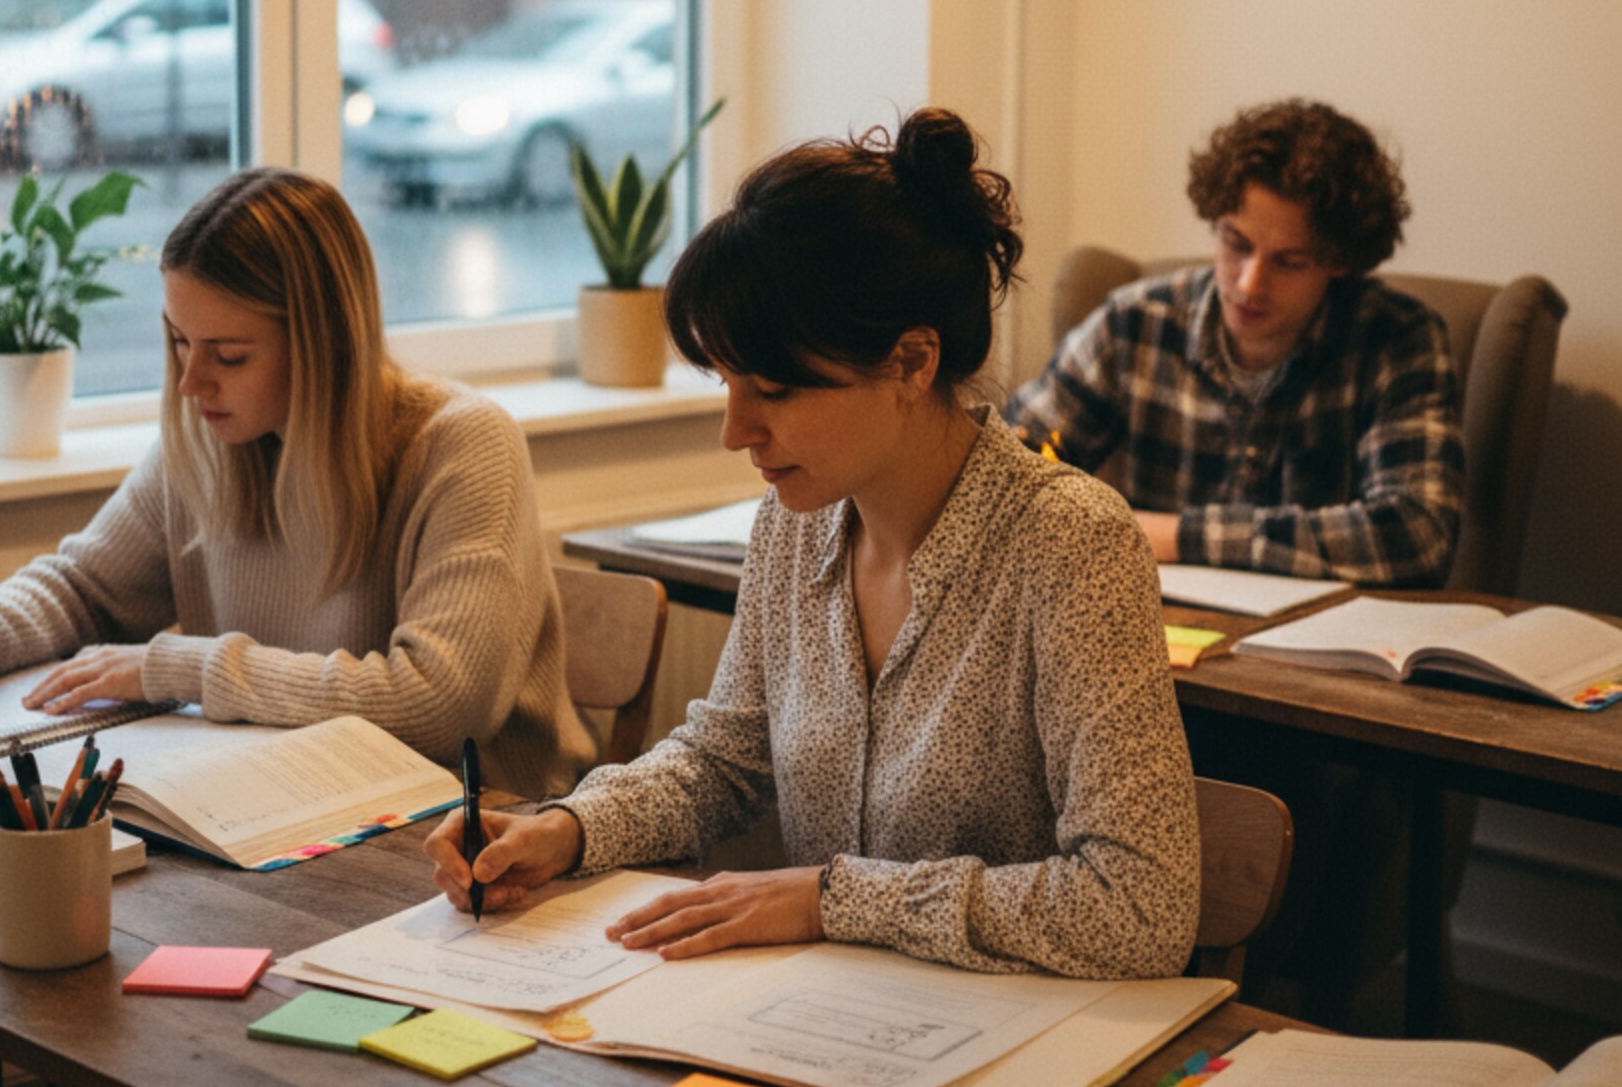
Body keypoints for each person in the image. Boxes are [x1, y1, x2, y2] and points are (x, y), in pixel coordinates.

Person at [0, 163, 593, 1087]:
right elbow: (82, 583)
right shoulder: (205, 439)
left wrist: (185, 663)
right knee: (107, 1002)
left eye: (227, 349)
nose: (190, 379)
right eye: (173, 340)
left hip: (458, 874)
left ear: (321, 339)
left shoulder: (461, 447)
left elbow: (437, 699)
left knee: (198, 1051)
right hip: (276, 854)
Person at [427, 110, 1201, 981]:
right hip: (830, 1013)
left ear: (912, 362)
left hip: (1005, 1039)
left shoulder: (1071, 545)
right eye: (726, 384)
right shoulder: (796, 522)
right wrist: (569, 828)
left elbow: (1141, 908)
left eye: (775, 391)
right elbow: (722, 761)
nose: (735, 431)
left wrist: (829, 899)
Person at [1004, 98, 1464, 587]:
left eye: (1288, 261)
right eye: (1236, 245)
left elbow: (1418, 534)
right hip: (1155, 637)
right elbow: (1008, 470)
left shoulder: (1397, 340)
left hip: (1321, 652)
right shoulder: (1136, 324)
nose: (1249, 284)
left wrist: (1178, 536)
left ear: (1340, 262)